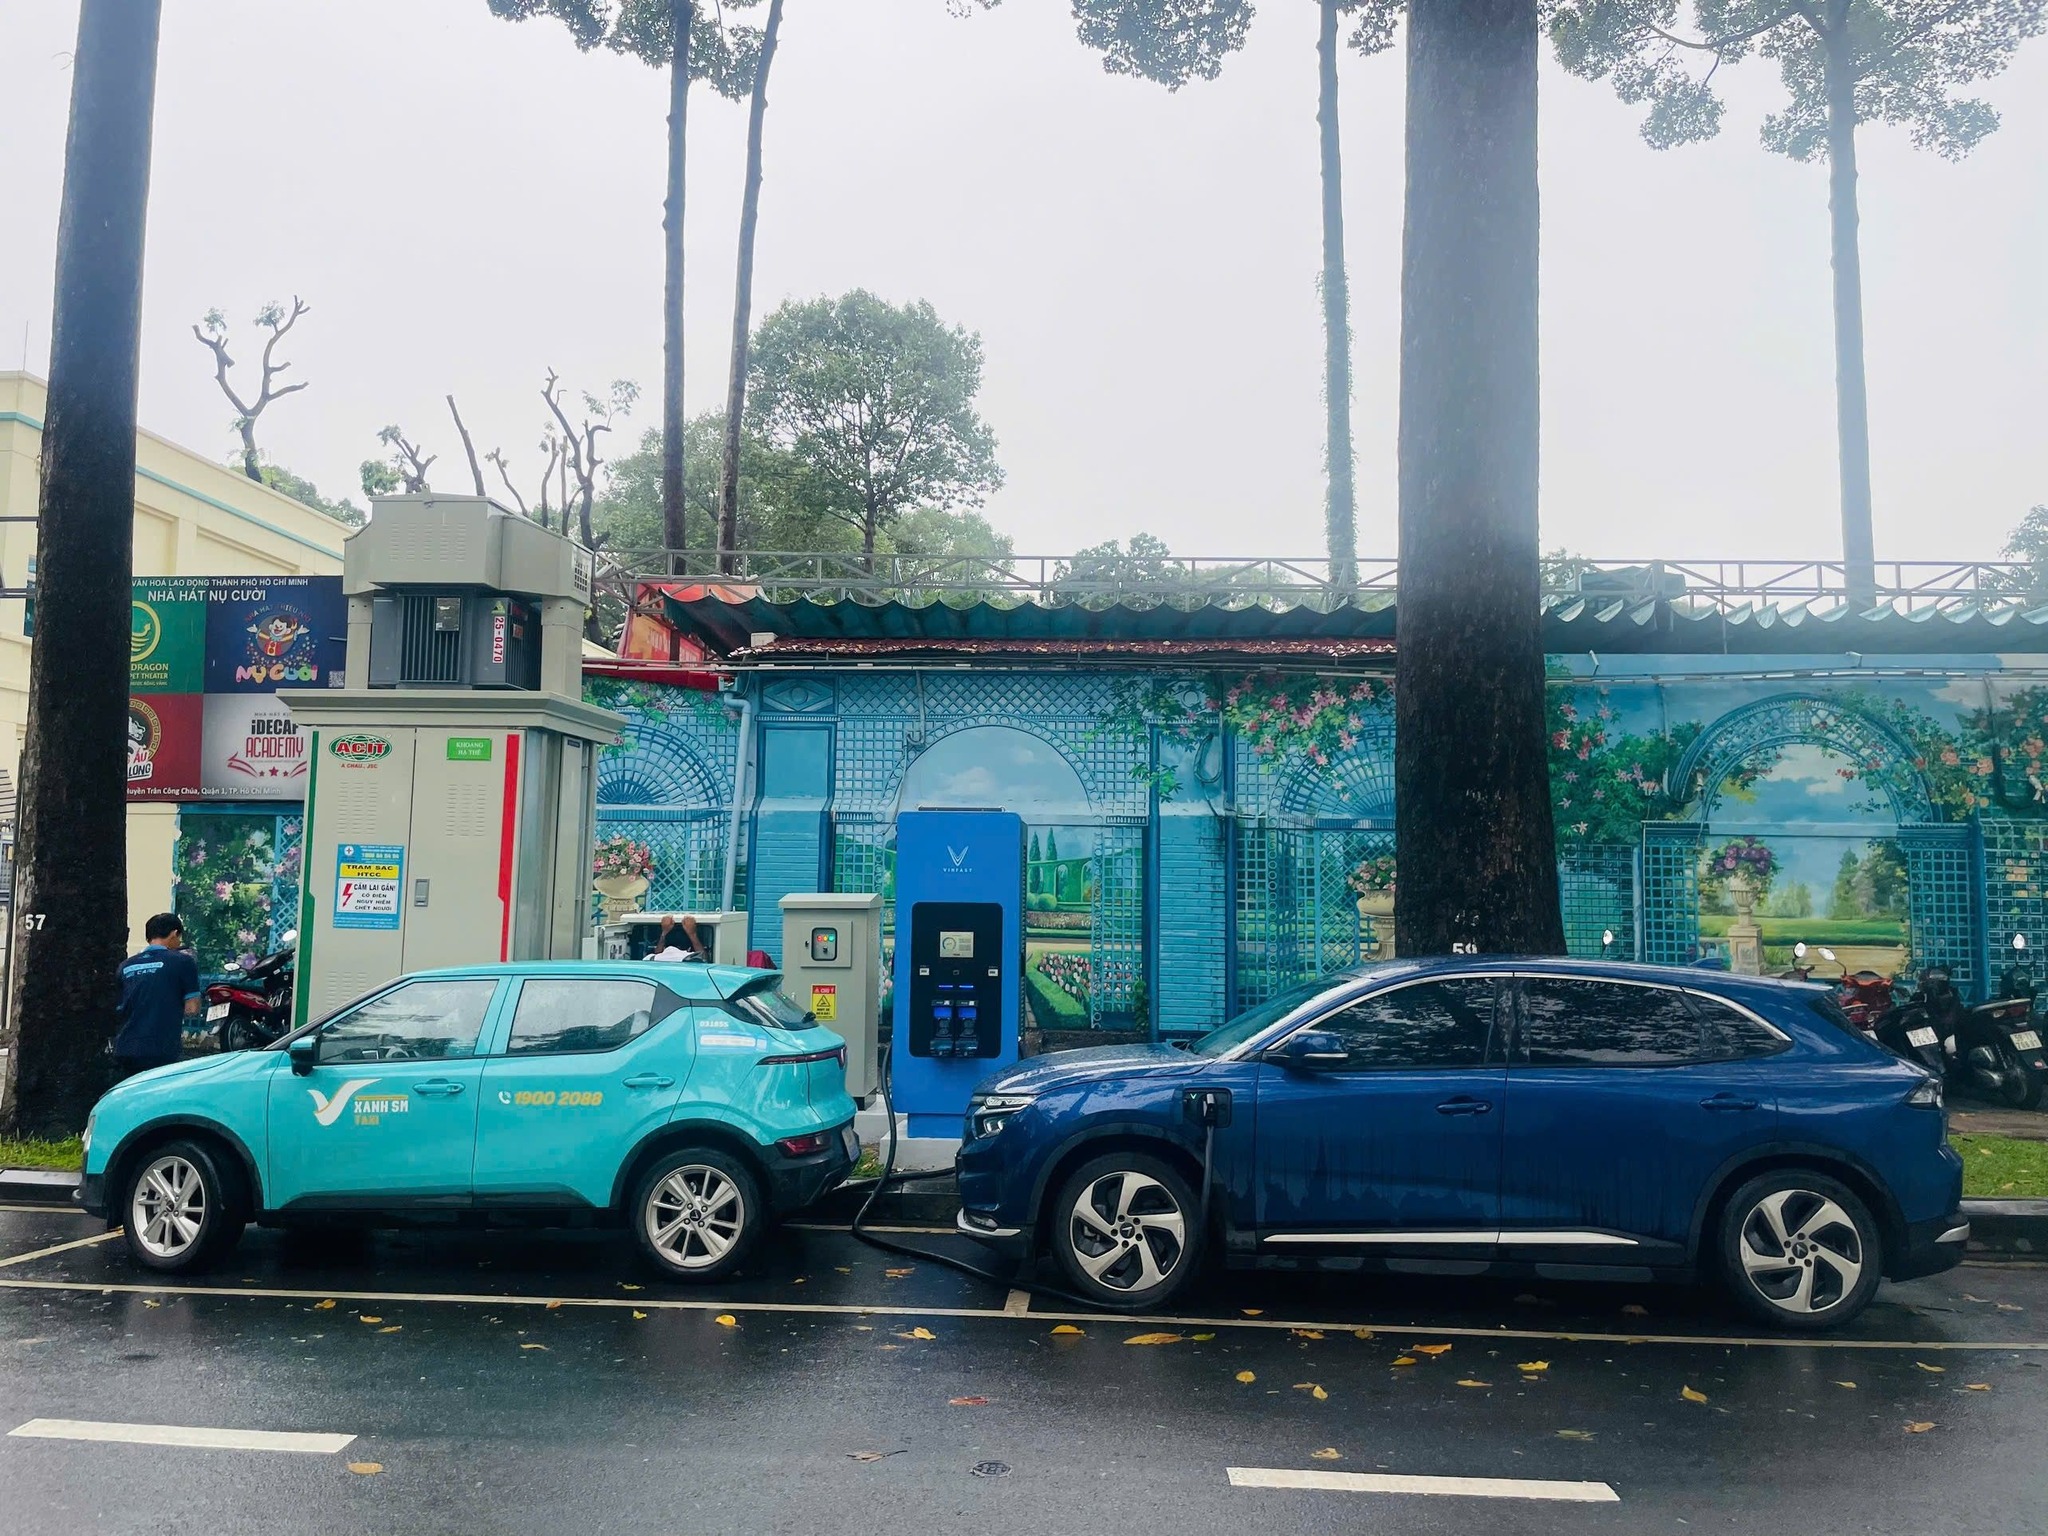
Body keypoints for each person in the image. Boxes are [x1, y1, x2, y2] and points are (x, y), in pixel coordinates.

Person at [113, 913, 202, 1079]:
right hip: (161, 1048)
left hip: (125, 1047)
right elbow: (192, 1008)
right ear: (174, 934)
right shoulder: (183, 962)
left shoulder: (125, 966)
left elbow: (119, 1006)